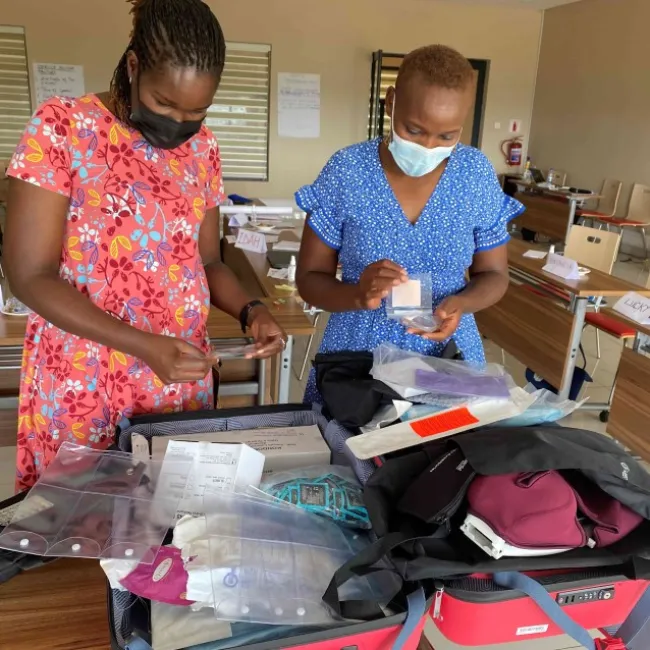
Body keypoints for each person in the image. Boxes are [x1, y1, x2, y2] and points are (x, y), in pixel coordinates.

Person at [4, 0, 285, 490]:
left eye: (197, 110)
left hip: (175, 377)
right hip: (82, 378)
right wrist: (143, 347)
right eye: (163, 103)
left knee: (169, 527)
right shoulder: (62, 128)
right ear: (133, 66)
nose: (179, 122)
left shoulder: (204, 150)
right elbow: (29, 274)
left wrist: (252, 310)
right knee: (80, 528)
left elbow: (209, 261)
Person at [296, 45, 523, 404]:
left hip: (447, 352)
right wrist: (358, 294)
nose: (428, 146)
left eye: (447, 136)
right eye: (414, 130)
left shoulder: (475, 174)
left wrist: (461, 303)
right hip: (358, 357)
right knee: (352, 451)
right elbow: (309, 278)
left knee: (448, 455)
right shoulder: (347, 171)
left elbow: (495, 275)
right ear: (390, 102)